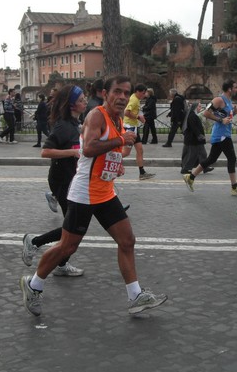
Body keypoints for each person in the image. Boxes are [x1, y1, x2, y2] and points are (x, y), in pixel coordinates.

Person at [19, 75, 167, 316]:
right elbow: (88, 148)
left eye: (125, 92)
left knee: (127, 240)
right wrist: (119, 140)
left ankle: (135, 295)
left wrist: (116, 163)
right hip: (84, 193)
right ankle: (33, 284)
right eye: (117, 91)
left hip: (105, 192)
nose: (121, 97)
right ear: (105, 94)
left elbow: (107, 152)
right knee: (67, 247)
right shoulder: (96, 115)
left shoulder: (117, 119)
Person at [22, 84, 85, 277]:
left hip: (72, 179)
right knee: (73, 228)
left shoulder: (75, 123)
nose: (85, 102)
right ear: (72, 104)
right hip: (61, 180)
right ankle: (35, 242)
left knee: (74, 227)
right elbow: (45, 151)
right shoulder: (62, 125)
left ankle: (60, 262)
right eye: (81, 100)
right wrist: (73, 152)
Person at [183, 80, 237, 196]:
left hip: (225, 133)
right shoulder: (219, 100)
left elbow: (225, 116)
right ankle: (234, 187)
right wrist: (220, 120)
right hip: (221, 135)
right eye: (235, 87)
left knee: (211, 159)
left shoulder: (228, 101)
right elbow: (206, 113)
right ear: (229, 89)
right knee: (232, 158)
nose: (236, 89)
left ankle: (191, 176)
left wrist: (235, 112)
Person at [123, 83, 155, 180]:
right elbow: (126, 112)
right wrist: (138, 117)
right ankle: (107, 161)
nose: (144, 95)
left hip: (133, 127)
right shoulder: (134, 100)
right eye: (143, 93)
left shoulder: (135, 98)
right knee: (126, 153)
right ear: (137, 92)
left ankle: (142, 173)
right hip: (130, 128)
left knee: (140, 150)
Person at [181, 101, 210, 174]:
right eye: (199, 106)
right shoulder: (192, 115)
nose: (200, 108)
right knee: (193, 155)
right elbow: (194, 127)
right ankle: (186, 169)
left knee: (203, 153)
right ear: (195, 107)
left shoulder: (193, 114)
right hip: (194, 139)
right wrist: (199, 135)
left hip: (196, 139)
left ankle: (205, 167)